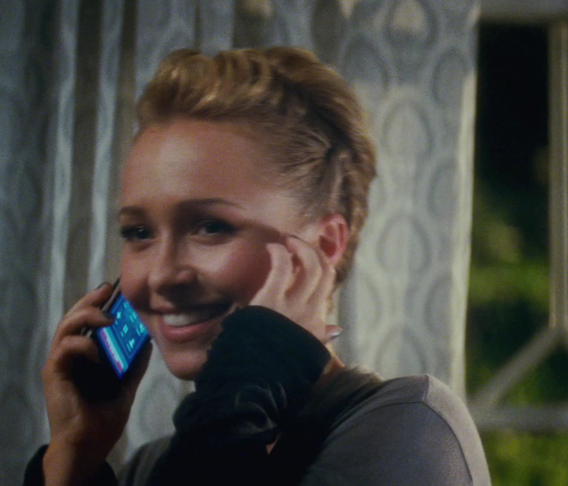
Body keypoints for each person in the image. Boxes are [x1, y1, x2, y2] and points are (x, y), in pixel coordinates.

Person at [26, 47, 490, 485]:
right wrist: (72, 459)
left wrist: (252, 364)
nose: (162, 275)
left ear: (323, 245)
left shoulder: (411, 430)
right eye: (139, 232)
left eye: (211, 227)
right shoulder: (151, 467)